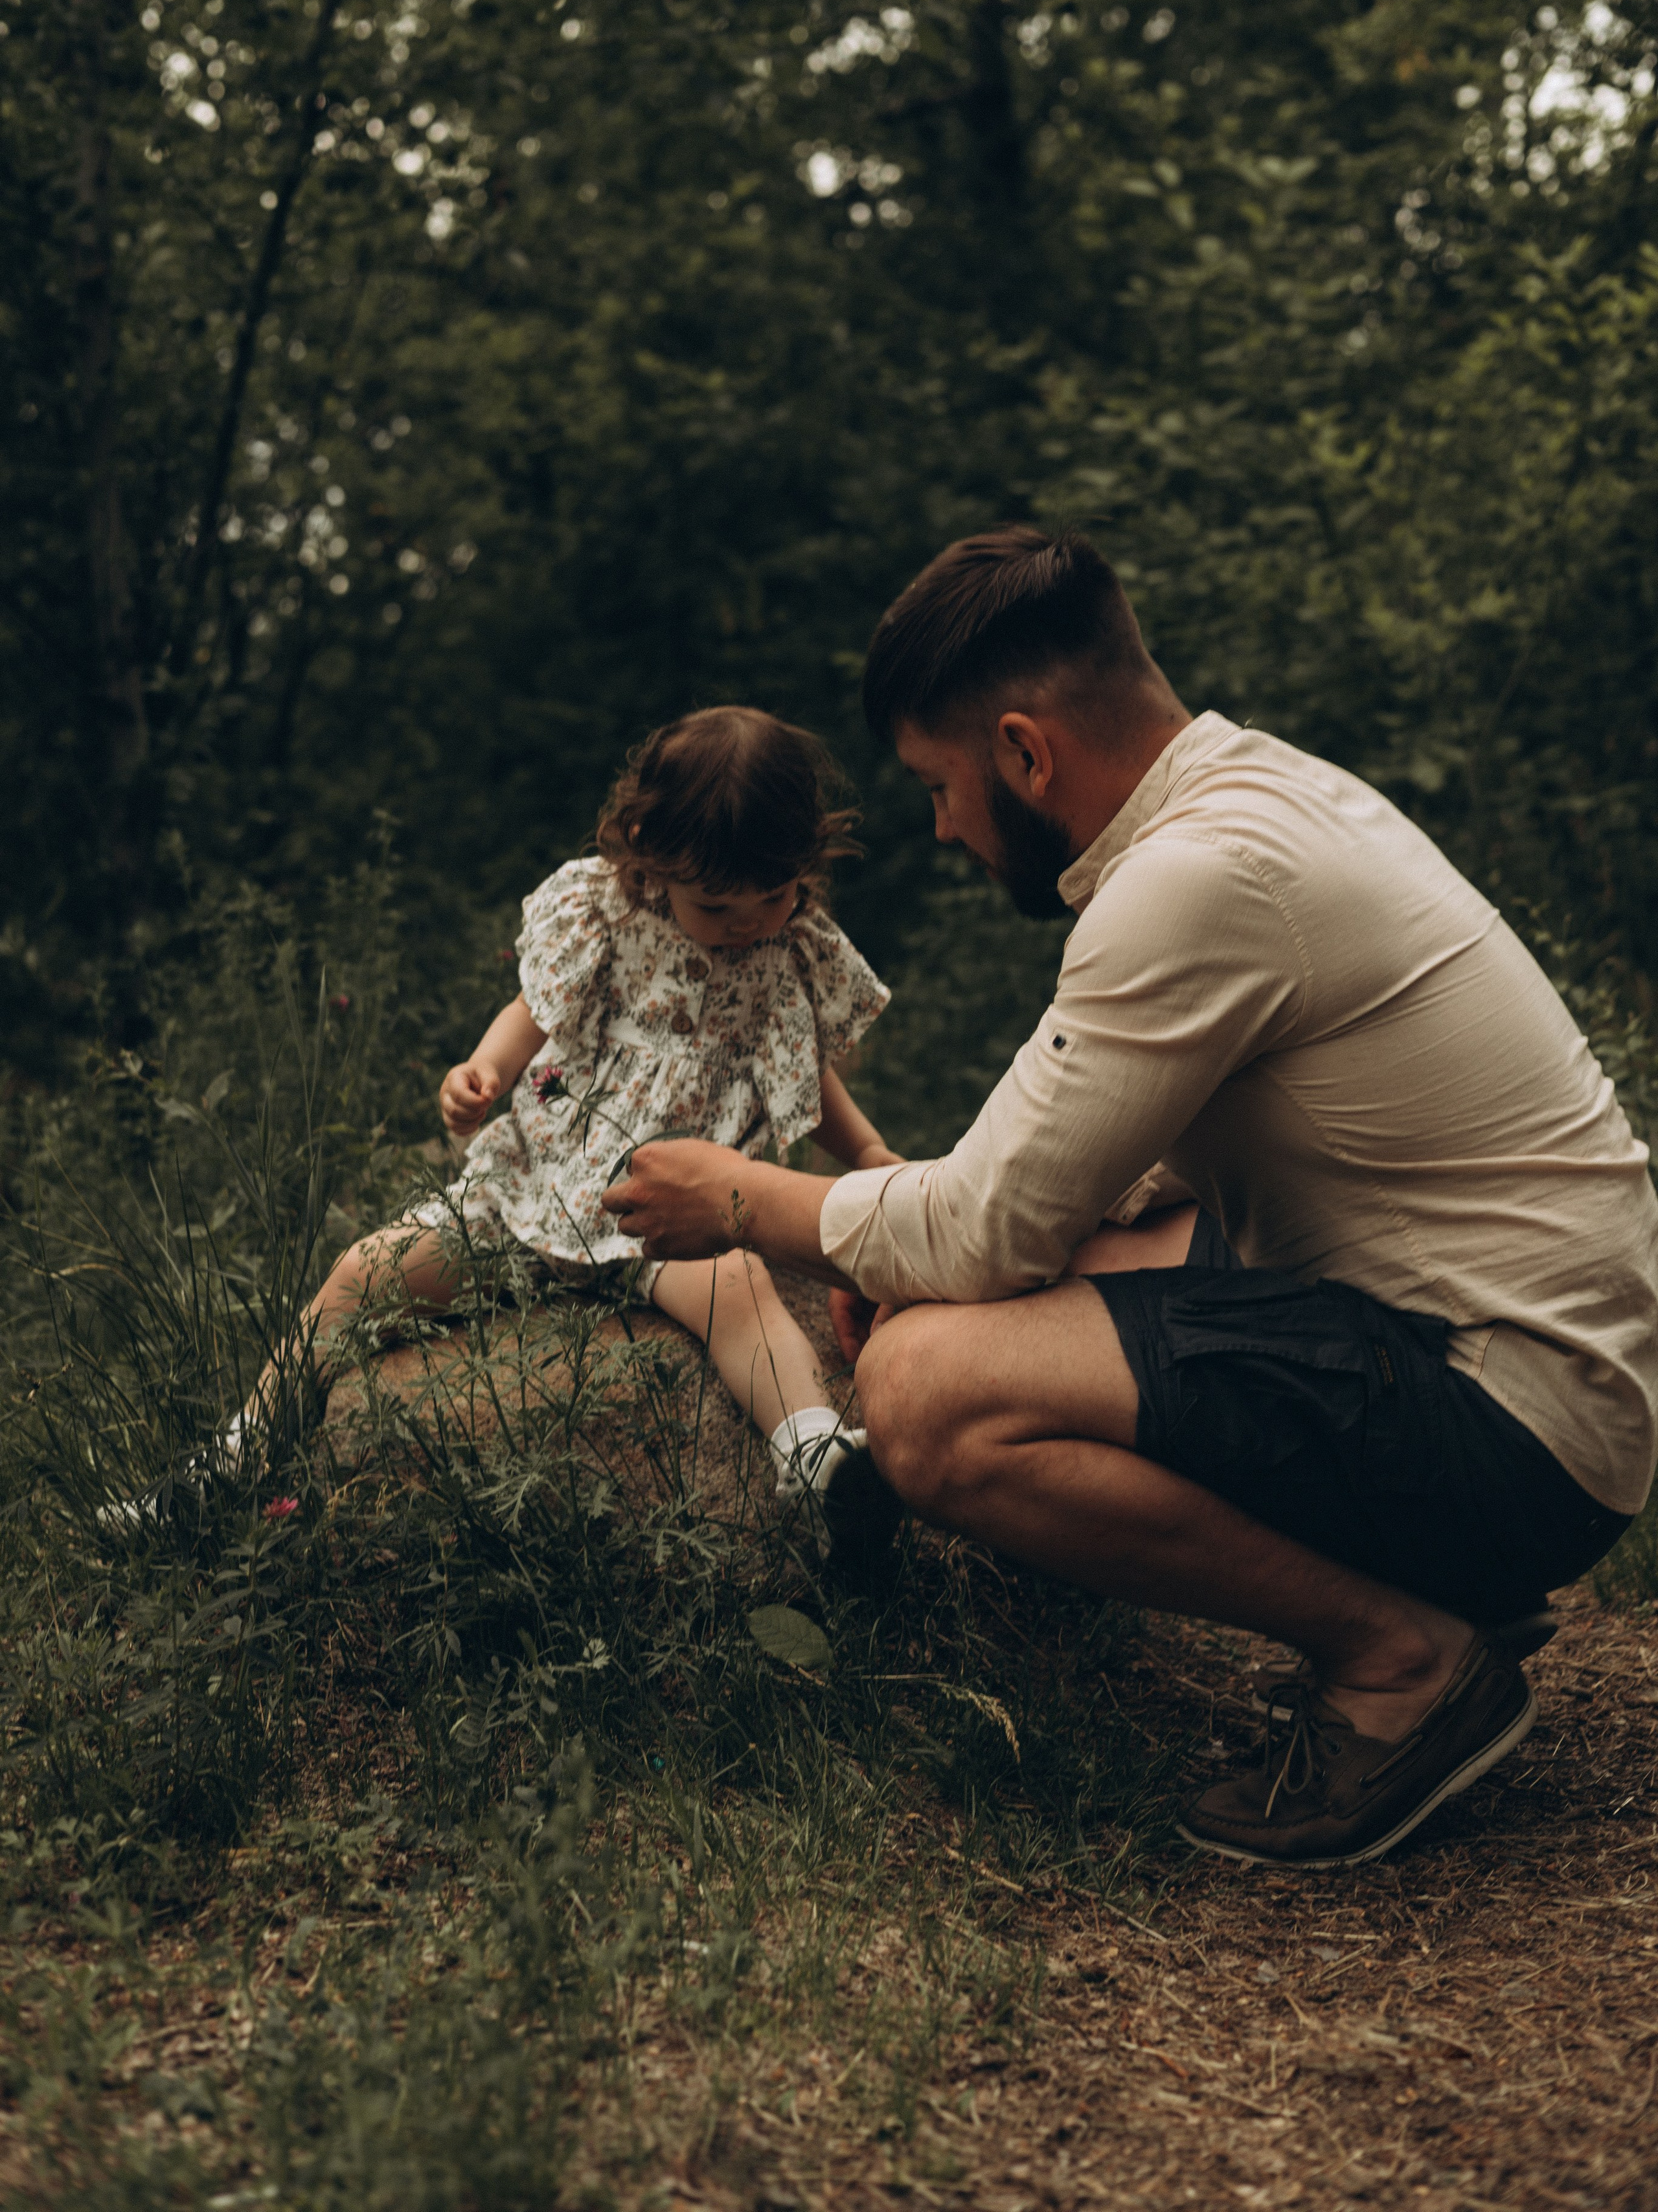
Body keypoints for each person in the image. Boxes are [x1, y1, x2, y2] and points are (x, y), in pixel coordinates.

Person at [602, 526, 1658, 1867]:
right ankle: (1418, 1588)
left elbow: (982, 1227)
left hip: (1509, 1425)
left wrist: (745, 1199)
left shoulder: (1193, 880)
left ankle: (1401, 1664)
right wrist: (939, 1238)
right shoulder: (1263, 799)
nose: (937, 828)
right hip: (1533, 1378)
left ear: (1023, 752)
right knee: (1063, 1263)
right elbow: (1084, 1186)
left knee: (929, 1390)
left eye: (938, 785)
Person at [245, 707, 904, 1547]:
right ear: (647, 848)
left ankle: (814, 1454)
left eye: (772, 896)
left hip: (674, 1216)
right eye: (718, 904)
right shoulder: (604, 916)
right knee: (366, 1270)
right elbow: (532, 1014)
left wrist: (870, 1152)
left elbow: (801, 1072)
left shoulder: (791, 947)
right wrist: (483, 1073)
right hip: (532, 1191)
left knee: (739, 1289)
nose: (750, 921)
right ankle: (241, 1449)